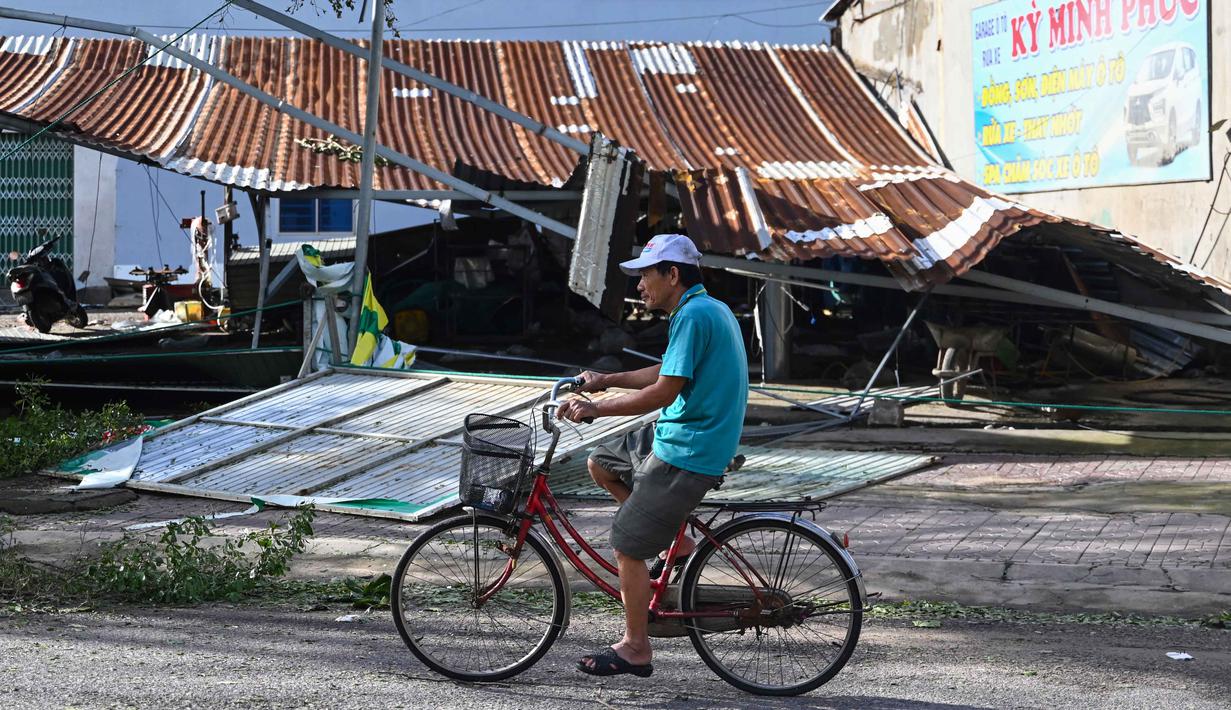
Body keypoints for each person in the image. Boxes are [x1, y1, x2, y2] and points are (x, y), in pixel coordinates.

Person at [556, 234, 748, 679]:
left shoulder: (695, 316)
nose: (641, 285)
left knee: (626, 546)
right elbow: (667, 369)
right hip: (683, 434)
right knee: (601, 462)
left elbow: (663, 391)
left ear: (672, 274)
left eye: (646, 274)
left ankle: (636, 647)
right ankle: (677, 544)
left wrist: (596, 407)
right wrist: (607, 379)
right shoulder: (703, 310)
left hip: (690, 448)